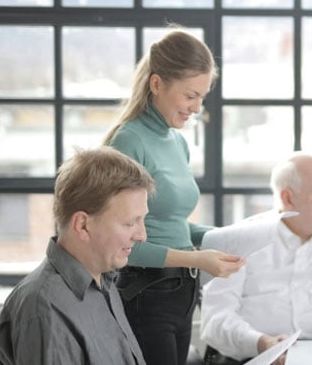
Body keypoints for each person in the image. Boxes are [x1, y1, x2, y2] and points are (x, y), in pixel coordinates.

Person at [103, 28, 245, 365]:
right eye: (190, 95)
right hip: (145, 294)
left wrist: (223, 237)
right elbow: (121, 243)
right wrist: (197, 259)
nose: (197, 107)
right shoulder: (128, 143)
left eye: (202, 97)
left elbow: (171, 222)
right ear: (156, 84)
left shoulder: (177, 141)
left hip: (180, 294)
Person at [199, 153, 312, 365]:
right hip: (252, 358)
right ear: (288, 198)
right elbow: (215, 320)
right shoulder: (241, 239)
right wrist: (262, 343)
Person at [0, 147, 154, 364]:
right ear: (83, 225)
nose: (142, 235)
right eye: (130, 223)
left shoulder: (103, 281)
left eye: (142, 220)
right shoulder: (44, 309)